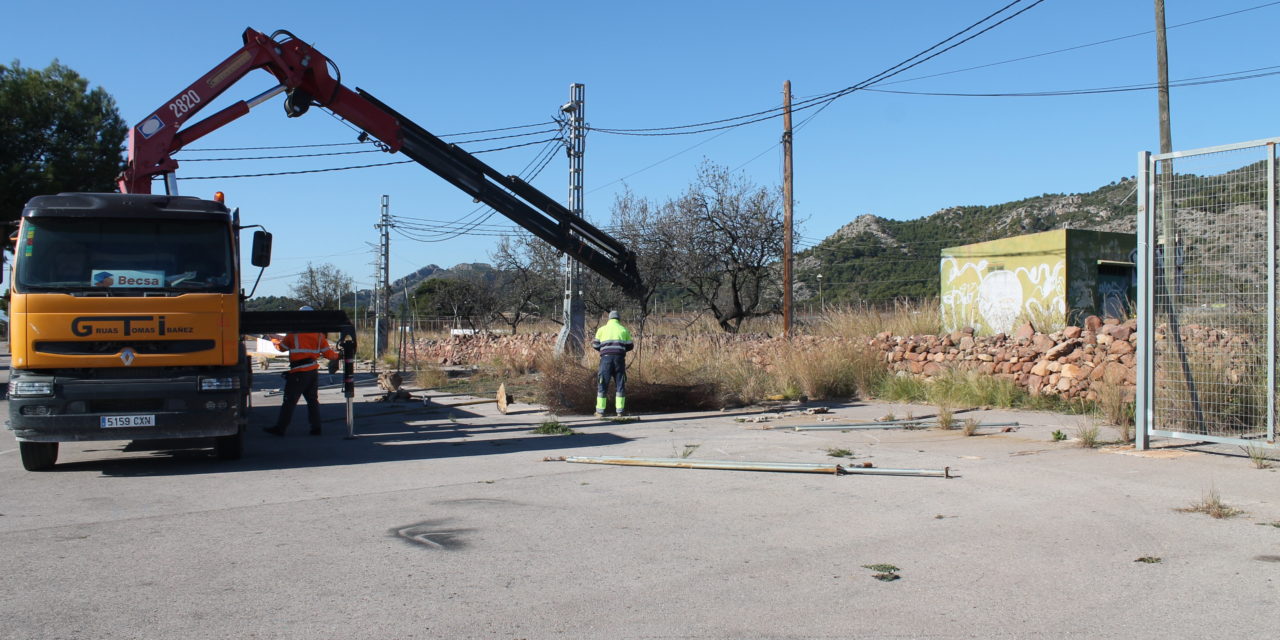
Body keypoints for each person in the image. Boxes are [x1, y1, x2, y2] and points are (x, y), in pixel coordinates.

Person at [264, 306, 340, 436]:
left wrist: (273, 338)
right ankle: (316, 428)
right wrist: (339, 356)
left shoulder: (294, 334)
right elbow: (329, 354)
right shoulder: (319, 335)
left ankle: (280, 428)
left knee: (289, 401)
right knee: (312, 400)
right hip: (312, 372)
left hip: (299, 372)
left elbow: (281, 348)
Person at [591, 310, 634, 417]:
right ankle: (620, 411)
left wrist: (605, 350)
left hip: (605, 360)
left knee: (603, 384)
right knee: (620, 384)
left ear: (609, 319)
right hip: (619, 359)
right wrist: (620, 349)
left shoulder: (602, 329)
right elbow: (630, 346)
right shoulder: (624, 330)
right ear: (618, 319)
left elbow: (595, 345)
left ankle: (600, 412)